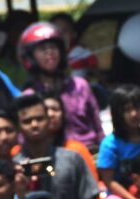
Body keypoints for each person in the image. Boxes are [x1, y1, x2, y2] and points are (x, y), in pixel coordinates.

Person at [12, 93, 98, 199]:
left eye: (39, 119)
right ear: (18, 126)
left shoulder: (72, 158)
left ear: (49, 120)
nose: (34, 125)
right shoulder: (13, 166)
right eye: (27, 121)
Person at [18, 22, 101, 150]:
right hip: (55, 161)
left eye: (53, 47)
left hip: (90, 153)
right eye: (42, 49)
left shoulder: (80, 86)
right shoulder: (29, 96)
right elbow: (24, 141)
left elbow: (98, 127)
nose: (49, 52)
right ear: (30, 57)